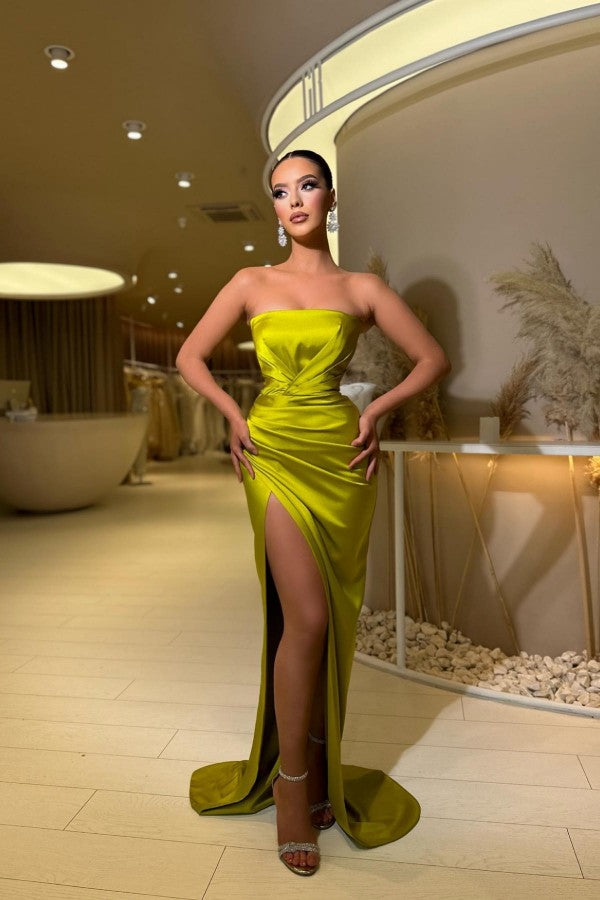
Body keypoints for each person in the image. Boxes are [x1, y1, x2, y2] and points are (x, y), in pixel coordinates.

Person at [176, 149, 451, 877]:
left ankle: (320, 769)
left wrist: (378, 412)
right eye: (280, 192)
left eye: (306, 186)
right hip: (270, 453)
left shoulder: (362, 288)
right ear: (273, 207)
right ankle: (292, 786)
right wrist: (233, 413)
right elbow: (189, 358)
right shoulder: (250, 282)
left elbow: (431, 360)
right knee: (307, 616)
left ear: (330, 196)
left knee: (333, 616)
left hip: (340, 456)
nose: (293, 200)